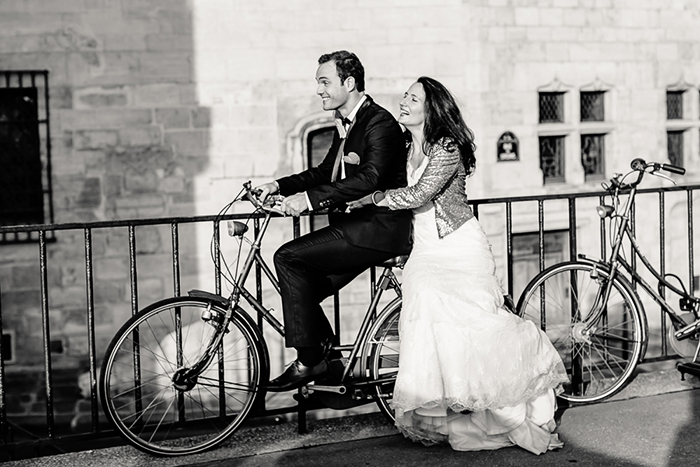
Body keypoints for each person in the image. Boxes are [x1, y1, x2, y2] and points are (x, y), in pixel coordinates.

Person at [347, 77, 568, 454]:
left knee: (477, 326)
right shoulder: (404, 146)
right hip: (427, 250)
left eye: (412, 98)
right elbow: (386, 179)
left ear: (430, 108)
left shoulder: (446, 147)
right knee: (428, 319)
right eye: (404, 96)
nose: (403, 101)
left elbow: (420, 194)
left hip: (460, 247)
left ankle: (508, 406)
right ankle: (451, 414)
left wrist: (376, 197)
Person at [255, 51, 413, 392]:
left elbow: (370, 178)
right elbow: (323, 172)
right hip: (360, 228)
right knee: (303, 285)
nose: (319, 90)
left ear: (349, 83)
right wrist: (278, 186)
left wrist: (308, 200)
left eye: (325, 82)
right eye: (318, 83)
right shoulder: (347, 124)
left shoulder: (379, 123)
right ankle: (329, 362)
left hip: (379, 228)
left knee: (286, 256)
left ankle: (310, 361)